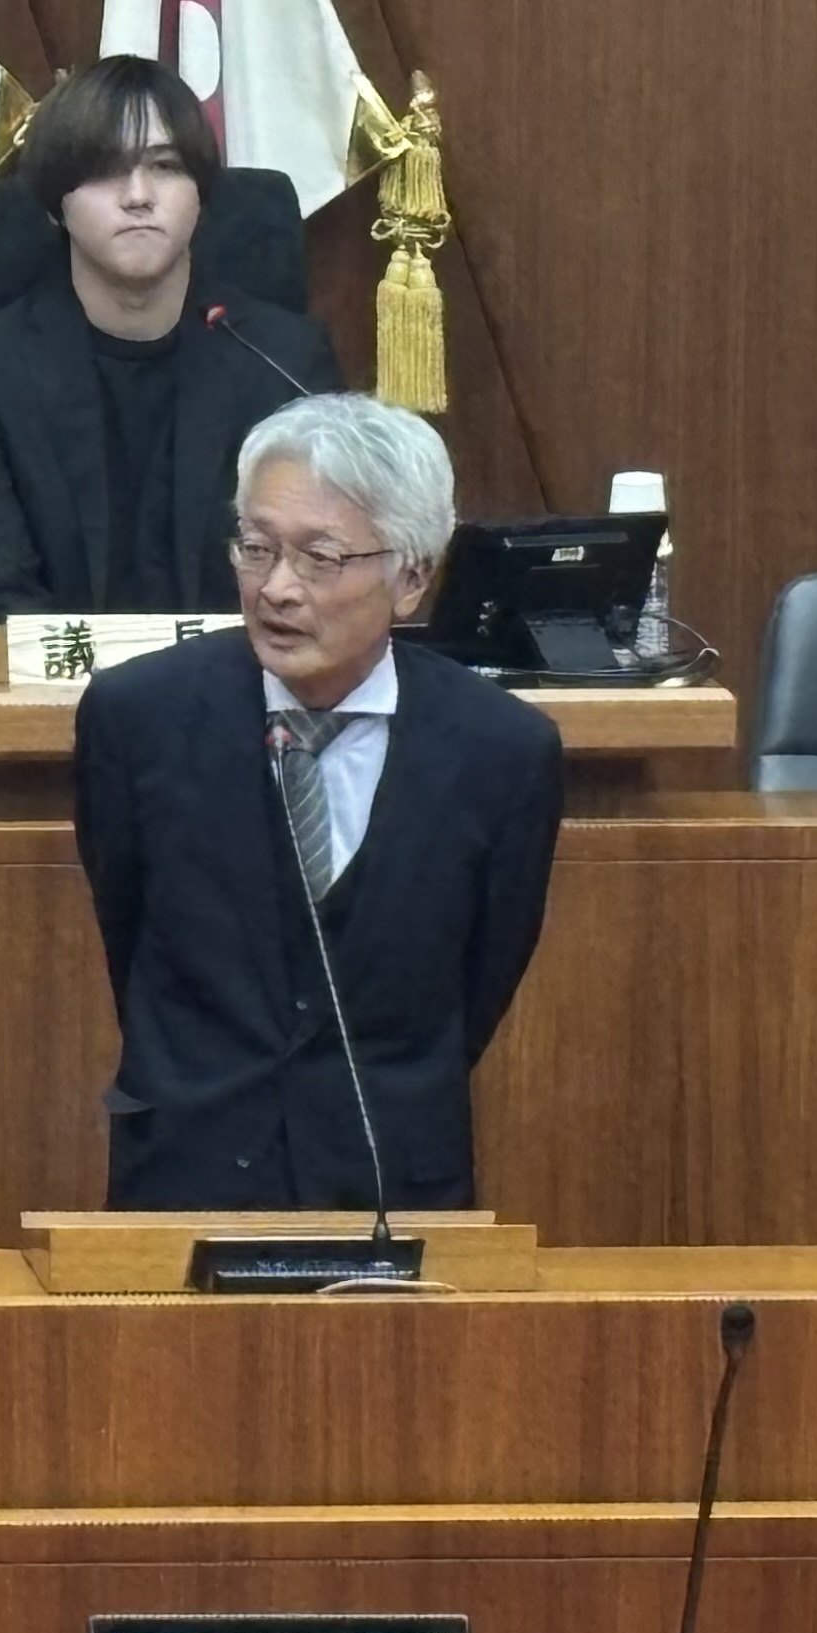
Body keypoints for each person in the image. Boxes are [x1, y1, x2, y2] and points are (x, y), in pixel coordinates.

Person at [70, 394, 564, 1212]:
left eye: (320, 558)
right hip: (184, 1176)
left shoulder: (500, 752)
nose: (277, 588)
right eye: (257, 548)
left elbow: (479, 986)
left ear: (412, 577)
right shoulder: (138, 718)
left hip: (392, 1189)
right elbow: (127, 933)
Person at [0, 57, 343, 620]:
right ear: (56, 204)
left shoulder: (285, 362)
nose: (139, 195)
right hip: (59, 675)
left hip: (243, 670)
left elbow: (314, 568)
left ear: (201, 194)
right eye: (106, 171)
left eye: (165, 167)